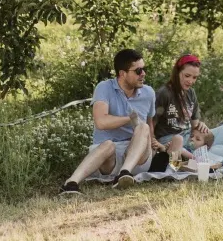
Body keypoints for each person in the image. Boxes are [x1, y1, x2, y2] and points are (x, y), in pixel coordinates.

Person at [58, 49, 156, 196]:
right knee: (108, 144)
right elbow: (101, 122)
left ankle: (125, 173)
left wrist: (153, 141)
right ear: (122, 73)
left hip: (137, 157)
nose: (143, 74)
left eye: (144, 69)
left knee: (143, 126)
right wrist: (130, 119)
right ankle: (71, 184)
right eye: (138, 70)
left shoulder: (149, 93)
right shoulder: (104, 87)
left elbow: (150, 124)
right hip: (109, 159)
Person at [152, 54, 209, 165]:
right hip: (168, 139)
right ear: (177, 72)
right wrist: (154, 143)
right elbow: (151, 123)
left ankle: (189, 160)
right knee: (179, 141)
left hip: (188, 138)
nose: (190, 81)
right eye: (187, 76)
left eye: (194, 77)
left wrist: (201, 125)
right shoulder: (164, 93)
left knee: (210, 138)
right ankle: (184, 162)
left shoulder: (191, 93)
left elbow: (194, 124)